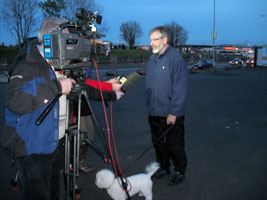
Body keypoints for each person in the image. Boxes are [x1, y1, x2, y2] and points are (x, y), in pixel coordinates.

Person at [1, 17, 122, 200]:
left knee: (55, 192)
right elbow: (15, 100)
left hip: (56, 144)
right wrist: (56, 87)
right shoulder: (28, 64)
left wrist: (112, 95)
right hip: (32, 149)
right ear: (52, 39)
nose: (70, 46)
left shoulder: (61, 63)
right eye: (67, 40)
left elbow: (83, 88)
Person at [145, 26, 188, 186]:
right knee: (159, 144)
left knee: (174, 145)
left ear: (164, 40)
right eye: (150, 40)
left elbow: (180, 88)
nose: (151, 43)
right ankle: (164, 167)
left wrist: (174, 112)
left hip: (171, 114)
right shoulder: (152, 59)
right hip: (154, 113)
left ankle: (180, 171)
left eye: (155, 39)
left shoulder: (175, 59)